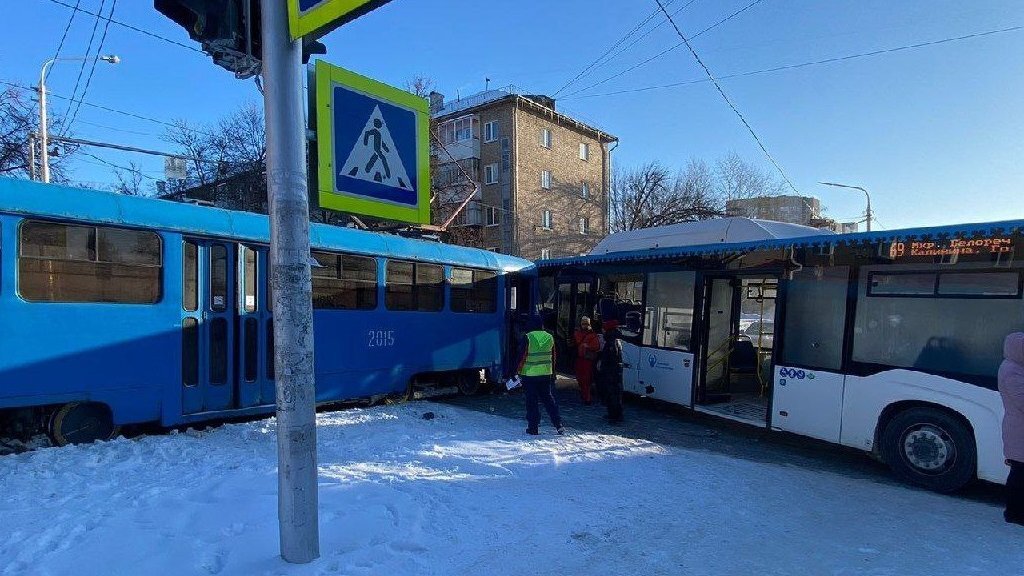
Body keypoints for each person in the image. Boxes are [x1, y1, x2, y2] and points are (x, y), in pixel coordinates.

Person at [518, 315, 563, 435]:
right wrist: (553, 372)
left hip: (530, 375)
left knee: (532, 402)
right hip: (546, 374)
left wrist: (517, 372)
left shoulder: (528, 337)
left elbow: (522, 357)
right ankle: (558, 424)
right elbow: (553, 357)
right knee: (549, 400)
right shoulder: (550, 337)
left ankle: (533, 428)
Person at [999, 332, 1024, 526]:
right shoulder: (1011, 372)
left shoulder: (1016, 368)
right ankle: (1014, 513)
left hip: (1018, 427)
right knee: (1019, 472)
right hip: (1019, 430)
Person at [597, 320, 624, 424]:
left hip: (612, 373)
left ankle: (616, 416)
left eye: (604, 328)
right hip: (614, 372)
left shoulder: (611, 342)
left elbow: (611, 359)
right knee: (613, 394)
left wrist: (604, 367)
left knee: (613, 394)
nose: (602, 330)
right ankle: (613, 414)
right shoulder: (614, 340)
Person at [573, 316, 601, 405]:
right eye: (583, 324)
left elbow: (597, 347)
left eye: (586, 324)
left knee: (586, 379)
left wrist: (588, 346)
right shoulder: (578, 333)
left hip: (587, 359)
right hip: (580, 358)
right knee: (580, 378)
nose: (584, 325)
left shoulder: (593, 335)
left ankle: (587, 398)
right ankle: (584, 395)